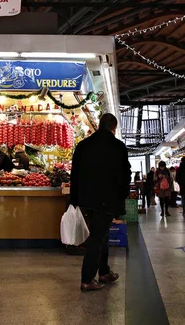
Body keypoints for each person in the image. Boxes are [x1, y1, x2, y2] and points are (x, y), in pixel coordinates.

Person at [70, 113, 131, 292]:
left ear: (98, 125)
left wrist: (75, 199)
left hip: (86, 199)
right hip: (107, 199)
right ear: (114, 128)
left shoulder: (83, 145)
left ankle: (104, 272)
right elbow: (124, 175)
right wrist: (122, 196)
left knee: (100, 233)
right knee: (97, 237)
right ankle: (87, 279)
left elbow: (75, 173)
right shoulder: (118, 146)